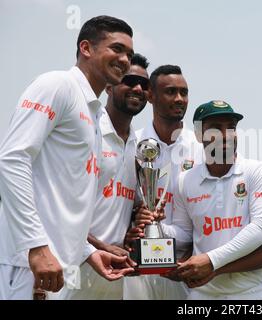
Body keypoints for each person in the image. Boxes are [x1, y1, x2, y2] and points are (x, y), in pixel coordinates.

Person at [0, 15, 136, 300]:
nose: (124, 59)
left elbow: (65, 195)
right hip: (28, 264)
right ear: (86, 48)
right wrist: (36, 245)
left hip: (59, 268)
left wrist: (88, 252)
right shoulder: (57, 85)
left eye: (129, 53)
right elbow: (12, 160)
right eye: (116, 49)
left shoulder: (95, 112)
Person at [139, 100, 262, 300]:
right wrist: (155, 226)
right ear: (198, 135)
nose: (225, 136)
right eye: (215, 129)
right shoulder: (185, 180)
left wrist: (211, 261)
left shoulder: (259, 172)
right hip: (201, 294)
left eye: (231, 128)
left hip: (250, 293)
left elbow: (261, 229)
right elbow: (185, 234)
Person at [67, 53, 150, 300]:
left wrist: (140, 218)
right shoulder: (86, 131)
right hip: (74, 265)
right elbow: (59, 205)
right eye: (131, 80)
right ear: (110, 85)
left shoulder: (139, 147)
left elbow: (120, 207)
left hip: (112, 271)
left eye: (145, 85)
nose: (138, 88)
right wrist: (98, 246)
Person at [123, 65, 203, 300]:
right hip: (138, 266)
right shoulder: (132, 142)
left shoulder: (200, 148)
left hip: (184, 267)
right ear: (150, 96)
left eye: (184, 92)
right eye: (170, 92)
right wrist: (136, 217)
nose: (179, 99)